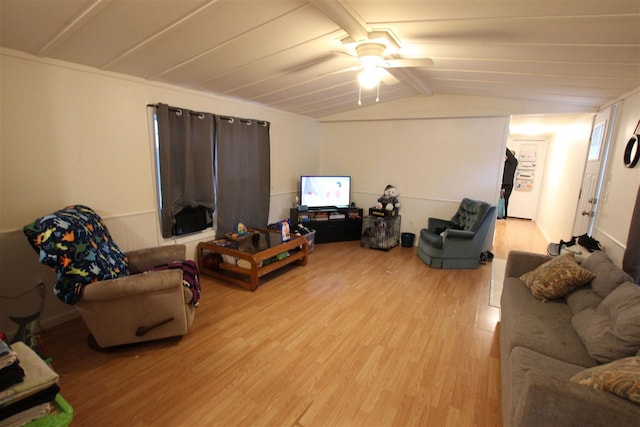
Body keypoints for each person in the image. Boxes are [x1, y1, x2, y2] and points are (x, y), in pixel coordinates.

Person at [501, 148, 518, 219]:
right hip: (503, 183)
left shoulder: (513, 161)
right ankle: (500, 214)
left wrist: (504, 145)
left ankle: (504, 215)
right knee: (501, 199)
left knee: (505, 199)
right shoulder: (506, 162)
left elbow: (508, 152)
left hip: (508, 184)